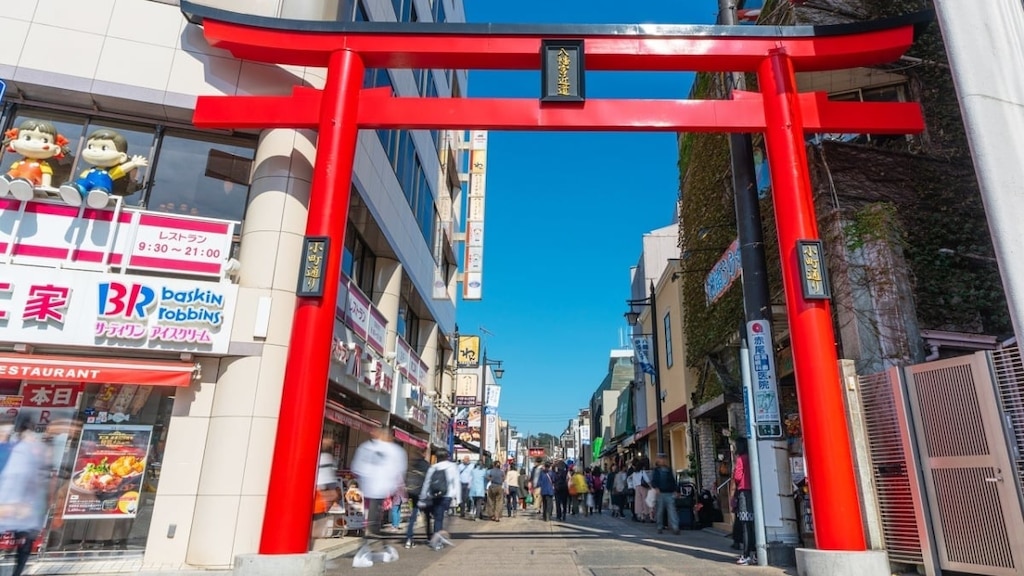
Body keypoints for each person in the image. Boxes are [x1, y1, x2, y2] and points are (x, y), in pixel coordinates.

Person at [350, 426, 407, 568]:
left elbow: (356, 468)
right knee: (373, 524)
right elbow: (399, 471)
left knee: (370, 523)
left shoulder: (366, 447)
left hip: (367, 490)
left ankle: (370, 549)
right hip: (381, 491)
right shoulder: (396, 451)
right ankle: (379, 549)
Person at [0, 419, 50, 576]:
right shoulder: (12, 450)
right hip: (12, 506)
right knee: (23, 546)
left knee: (24, 546)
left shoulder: (35, 453)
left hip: (23, 508)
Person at [418, 447, 460, 551]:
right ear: (447, 456)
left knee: (438, 518)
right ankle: (440, 537)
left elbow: (427, 483)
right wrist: (458, 498)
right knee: (445, 517)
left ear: (437, 457)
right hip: (448, 496)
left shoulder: (433, 467)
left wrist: (423, 497)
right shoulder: (452, 466)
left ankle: (437, 540)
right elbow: (456, 482)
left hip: (435, 496)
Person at [733, 438, 756, 565]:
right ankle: (757, 553)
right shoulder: (752, 456)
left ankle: (746, 554)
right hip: (755, 492)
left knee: (746, 525)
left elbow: (737, 476)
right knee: (755, 525)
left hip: (744, 492)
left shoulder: (741, 459)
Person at [404, 447, 431, 549]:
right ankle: (429, 537)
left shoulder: (410, 464)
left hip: (412, 493)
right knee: (427, 517)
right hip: (423, 494)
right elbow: (429, 479)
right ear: (423, 454)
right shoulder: (425, 465)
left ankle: (409, 539)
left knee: (413, 517)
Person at [650, 454, 680, 535]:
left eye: (664, 459)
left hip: (669, 493)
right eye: (661, 459)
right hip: (660, 493)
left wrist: (676, 490)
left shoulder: (668, 470)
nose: (663, 460)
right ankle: (659, 526)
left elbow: (673, 481)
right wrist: (656, 488)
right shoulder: (656, 470)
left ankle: (675, 527)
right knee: (660, 511)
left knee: (672, 511)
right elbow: (653, 481)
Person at [317, 437, 341, 512]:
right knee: (335, 495)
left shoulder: (320, 457)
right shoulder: (329, 457)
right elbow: (334, 469)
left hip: (320, 485)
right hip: (321, 485)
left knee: (333, 495)